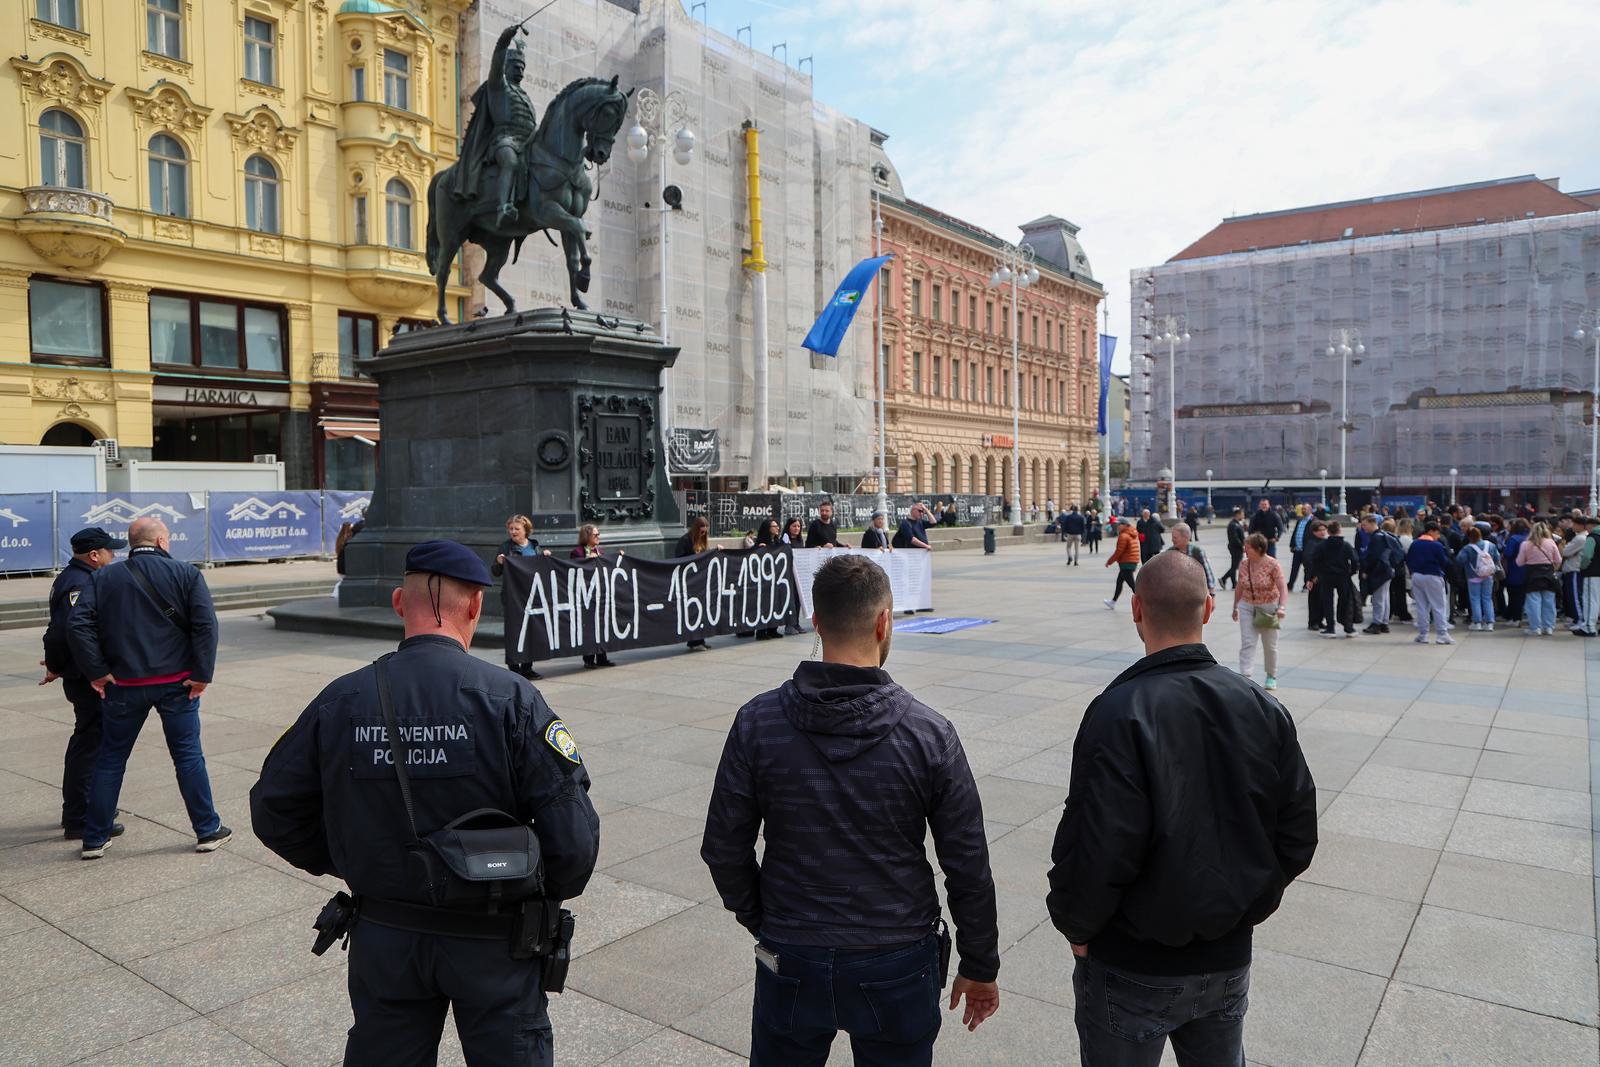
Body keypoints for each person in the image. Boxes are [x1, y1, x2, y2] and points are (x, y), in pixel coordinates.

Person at [249, 539, 600, 1067]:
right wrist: (532, 885)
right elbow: (572, 840)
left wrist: (351, 858)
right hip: (495, 938)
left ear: (397, 604)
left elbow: (274, 809)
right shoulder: (511, 699)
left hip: (386, 935)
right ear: (476, 608)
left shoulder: (342, 698)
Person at [701, 555, 1001, 1065]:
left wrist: (766, 919)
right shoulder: (928, 733)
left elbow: (723, 847)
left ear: (815, 622)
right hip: (897, 953)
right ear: (885, 622)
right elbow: (966, 863)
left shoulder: (758, 723)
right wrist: (980, 962)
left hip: (792, 950)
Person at [1047, 550, 1317, 1065]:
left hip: (1132, 961)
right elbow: (1298, 832)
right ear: (1210, 608)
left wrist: (1077, 926)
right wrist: (1246, 901)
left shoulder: (1118, 710)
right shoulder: (1262, 706)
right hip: (1227, 953)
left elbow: (1099, 843)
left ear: (1136, 610)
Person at [65, 517, 228, 859]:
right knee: (187, 757)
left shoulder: (104, 576)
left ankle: (95, 838)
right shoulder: (186, 574)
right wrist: (202, 674)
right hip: (178, 683)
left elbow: (77, 624)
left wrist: (97, 672)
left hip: (123, 684)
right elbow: (205, 626)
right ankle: (207, 830)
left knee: (111, 759)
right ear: (161, 542)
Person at [40, 526, 127, 841]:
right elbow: (64, 632)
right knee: (90, 745)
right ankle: (79, 817)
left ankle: (90, 805)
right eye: (109, 551)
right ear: (94, 555)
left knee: (95, 743)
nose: (113, 556)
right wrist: (65, 667)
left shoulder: (76, 578)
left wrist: (55, 664)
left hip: (84, 675)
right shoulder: (79, 583)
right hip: (89, 679)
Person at [493, 515, 551, 680]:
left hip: (532, 595)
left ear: (526, 530)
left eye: (516, 528)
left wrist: (545, 558)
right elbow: (496, 572)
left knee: (531, 630)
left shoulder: (534, 546)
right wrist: (499, 563)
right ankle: (514, 667)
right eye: (511, 529)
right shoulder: (506, 548)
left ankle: (527, 667)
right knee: (515, 631)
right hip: (514, 596)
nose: (513, 532)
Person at [1233, 532, 1288, 690]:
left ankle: (1271, 675)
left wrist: (1282, 607)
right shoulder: (1244, 564)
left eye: (1248, 547)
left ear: (1259, 548)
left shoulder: (1273, 564)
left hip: (1268, 607)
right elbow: (1239, 586)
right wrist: (1235, 606)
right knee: (1247, 642)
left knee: (1270, 645)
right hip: (1247, 605)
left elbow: (1282, 587)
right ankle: (1245, 676)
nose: (1245, 550)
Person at [570, 525, 617, 666]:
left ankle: (602, 656)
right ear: (587, 536)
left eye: (598, 534)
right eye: (595, 535)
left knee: (602, 624)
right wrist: (587, 560)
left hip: (600, 593)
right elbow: (573, 569)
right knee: (589, 626)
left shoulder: (600, 551)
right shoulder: (577, 552)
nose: (598, 537)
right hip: (586, 594)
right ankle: (589, 658)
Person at [1407, 522, 1455, 644]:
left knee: (1422, 606)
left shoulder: (1415, 543)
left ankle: (1423, 634)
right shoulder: (1436, 546)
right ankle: (1442, 634)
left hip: (1417, 576)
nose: (1438, 536)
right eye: (1437, 533)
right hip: (1433, 575)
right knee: (1438, 606)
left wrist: (1412, 572)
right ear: (1431, 531)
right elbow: (1444, 561)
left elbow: (1408, 559)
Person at [675, 517, 716, 651]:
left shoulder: (701, 542)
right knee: (693, 611)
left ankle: (700, 639)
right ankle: (694, 641)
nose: (703, 535)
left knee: (701, 611)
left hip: (700, 580)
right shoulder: (686, 540)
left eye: (705, 533)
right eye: (702, 532)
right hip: (690, 580)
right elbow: (679, 558)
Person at [1312, 520, 1358, 638]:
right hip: (1343, 576)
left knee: (1328, 602)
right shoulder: (1346, 545)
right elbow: (1355, 560)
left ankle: (1330, 627)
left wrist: (1317, 574)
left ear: (1328, 531)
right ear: (1339, 530)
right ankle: (1348, 627)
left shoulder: (1322, 545)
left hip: (1327, 576)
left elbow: (1315, 561)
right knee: (1346, 601)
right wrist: (1351, 572)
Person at [1517, 522, 1563, 637]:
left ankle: (1535, 627)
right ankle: (1548, 627)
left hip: (1532, 574)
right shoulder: (1551, 542)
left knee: (1533, 603)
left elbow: (1519, 562)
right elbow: (1558, 560)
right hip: (1548, 574)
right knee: (1549, 602)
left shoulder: (1526, 544)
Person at [1360, 517, 1402, 635]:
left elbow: (1374, 557)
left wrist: (1366, 571)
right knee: (1384, 597)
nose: (1363, 528)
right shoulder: (1383, 535)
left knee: (1378, 598)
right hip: (1387, 570)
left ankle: (1376, 623)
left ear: (1372, 523)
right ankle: (1384, 623)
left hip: (1379, 571)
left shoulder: (1376, 538)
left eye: (1364, 525)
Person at [1456, 526, 1501, 632]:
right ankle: (1489, 622)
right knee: (1487, 598)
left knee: (1475, 599)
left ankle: (1477, 622)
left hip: (1473, 576)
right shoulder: (1490, 545)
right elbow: (1497, 558)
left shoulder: (1467, 548)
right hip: (1488, 575)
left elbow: (1459, 560)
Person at [1167, 522, 1216, 593]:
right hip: (1176, 594)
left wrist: (1212, 594)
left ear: (1186, 537)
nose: (1172, 540)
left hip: (1196, 593)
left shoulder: (1197, 552)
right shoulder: (1169, 553)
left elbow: (1208, 574)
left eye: (1175, 538)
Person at [1103, 519, 1141, 610]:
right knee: (1119, 582)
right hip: (1131, 561)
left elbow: (1119, 551)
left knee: (1132, 585)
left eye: (1119, 524)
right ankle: (1113, 601)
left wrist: (1109, 561)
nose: (1118, 526)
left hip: (1126, 563)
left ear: (1124, 525)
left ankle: (1144, 602)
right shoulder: (1131, 533)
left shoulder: (1124, 536)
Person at [1301, 520, 1329, 632]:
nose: (1322, 532)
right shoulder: (1312, 543)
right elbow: (1308, 561)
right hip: (1315, 576)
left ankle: (1319, 620)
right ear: (1314, 532)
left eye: (1324, 530)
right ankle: (1313, 622)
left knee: (1323, 600)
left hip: (1324, 575)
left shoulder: (1324, 542)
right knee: (1315, 600)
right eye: (1320, 530)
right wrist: (1311, 577)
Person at [1560, 518, 1588, 626]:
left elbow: (1565, 552)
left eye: (1575, 524)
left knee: (1576, 596)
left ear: (1582, 526)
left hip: (1574, 569)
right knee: (1572, 596)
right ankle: (1576, 619)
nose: (1573, 526)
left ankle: (1580, 620)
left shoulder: (1580, 538)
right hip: (1573, 569)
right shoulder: (1580, 537)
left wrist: (1564, 547)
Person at [1502, 518, 1530, 626]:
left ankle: (1515, 618)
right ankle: (1519, 617)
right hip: (1528, 570)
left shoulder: (1513, 539)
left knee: (1513, 595)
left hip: (1514, 569)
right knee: (1522, 596)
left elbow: (1508, 554)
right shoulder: (1529, 538)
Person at [1576, 516, 1600, 637]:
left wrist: (1583, 567)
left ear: (1590, 526)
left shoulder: (1592, 538)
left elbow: (1586, 556)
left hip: (1593, 573)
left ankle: (1589, 627)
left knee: (1591, 600)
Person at [1219, 507, 1246, 589]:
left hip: (1236, 547)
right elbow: (1235, 538)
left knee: (1234, 565)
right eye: (1242, 514)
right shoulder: (1233, 525)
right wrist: (1242, 546)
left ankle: (1233, 583)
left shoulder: (1237, 523)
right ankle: (1224, 579)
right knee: (1235, 566)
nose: (1243, 516)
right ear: (1238, 514)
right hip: (1236, 548)